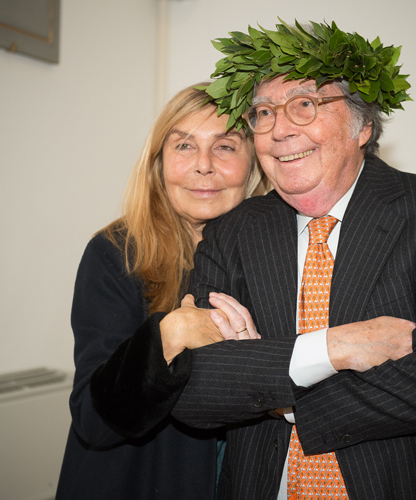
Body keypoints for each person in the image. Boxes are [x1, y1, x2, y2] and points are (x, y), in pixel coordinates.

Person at [160, 21, 416, 499]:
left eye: (304, 105)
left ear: (362, 125)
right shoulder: (233, 229)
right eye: (263, 113)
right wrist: (331, 350)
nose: (280, 130)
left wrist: (272, 385)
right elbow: (191, 392)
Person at [55, 84, 266, 500]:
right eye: (185, 146)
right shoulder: (117, 254)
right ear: (159, 163)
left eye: (225, 147)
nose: (203, 166)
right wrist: (169, 336)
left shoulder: (277, 256)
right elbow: (93, 421)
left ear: (254, 164)